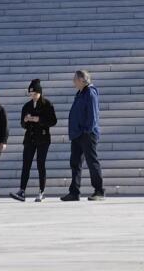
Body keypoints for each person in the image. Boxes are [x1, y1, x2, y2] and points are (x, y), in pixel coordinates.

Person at [62, 69, 104, 200]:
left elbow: (93, 115)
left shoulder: (90, 93)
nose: (73, 81)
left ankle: (99, 191)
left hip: (87, 134)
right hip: (77, 134)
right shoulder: (80, 93)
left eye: (75, 79)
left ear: (82, 80)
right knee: (75, 162)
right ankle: (74, 192)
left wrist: (86, 131)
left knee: (92, 162)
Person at [16, 77, 58, 201]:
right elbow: (23, 125)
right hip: (30, 138)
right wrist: (25, 121)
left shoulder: (47, 104)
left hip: (43, 138)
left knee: (41, 164)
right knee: (26, 164)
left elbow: (53, 121)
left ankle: (41, 191)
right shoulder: (27, 106)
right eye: (31, 94)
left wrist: (38, 120)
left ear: (40, 92)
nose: (33, 96)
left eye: (35, 93)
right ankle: (22, 190)